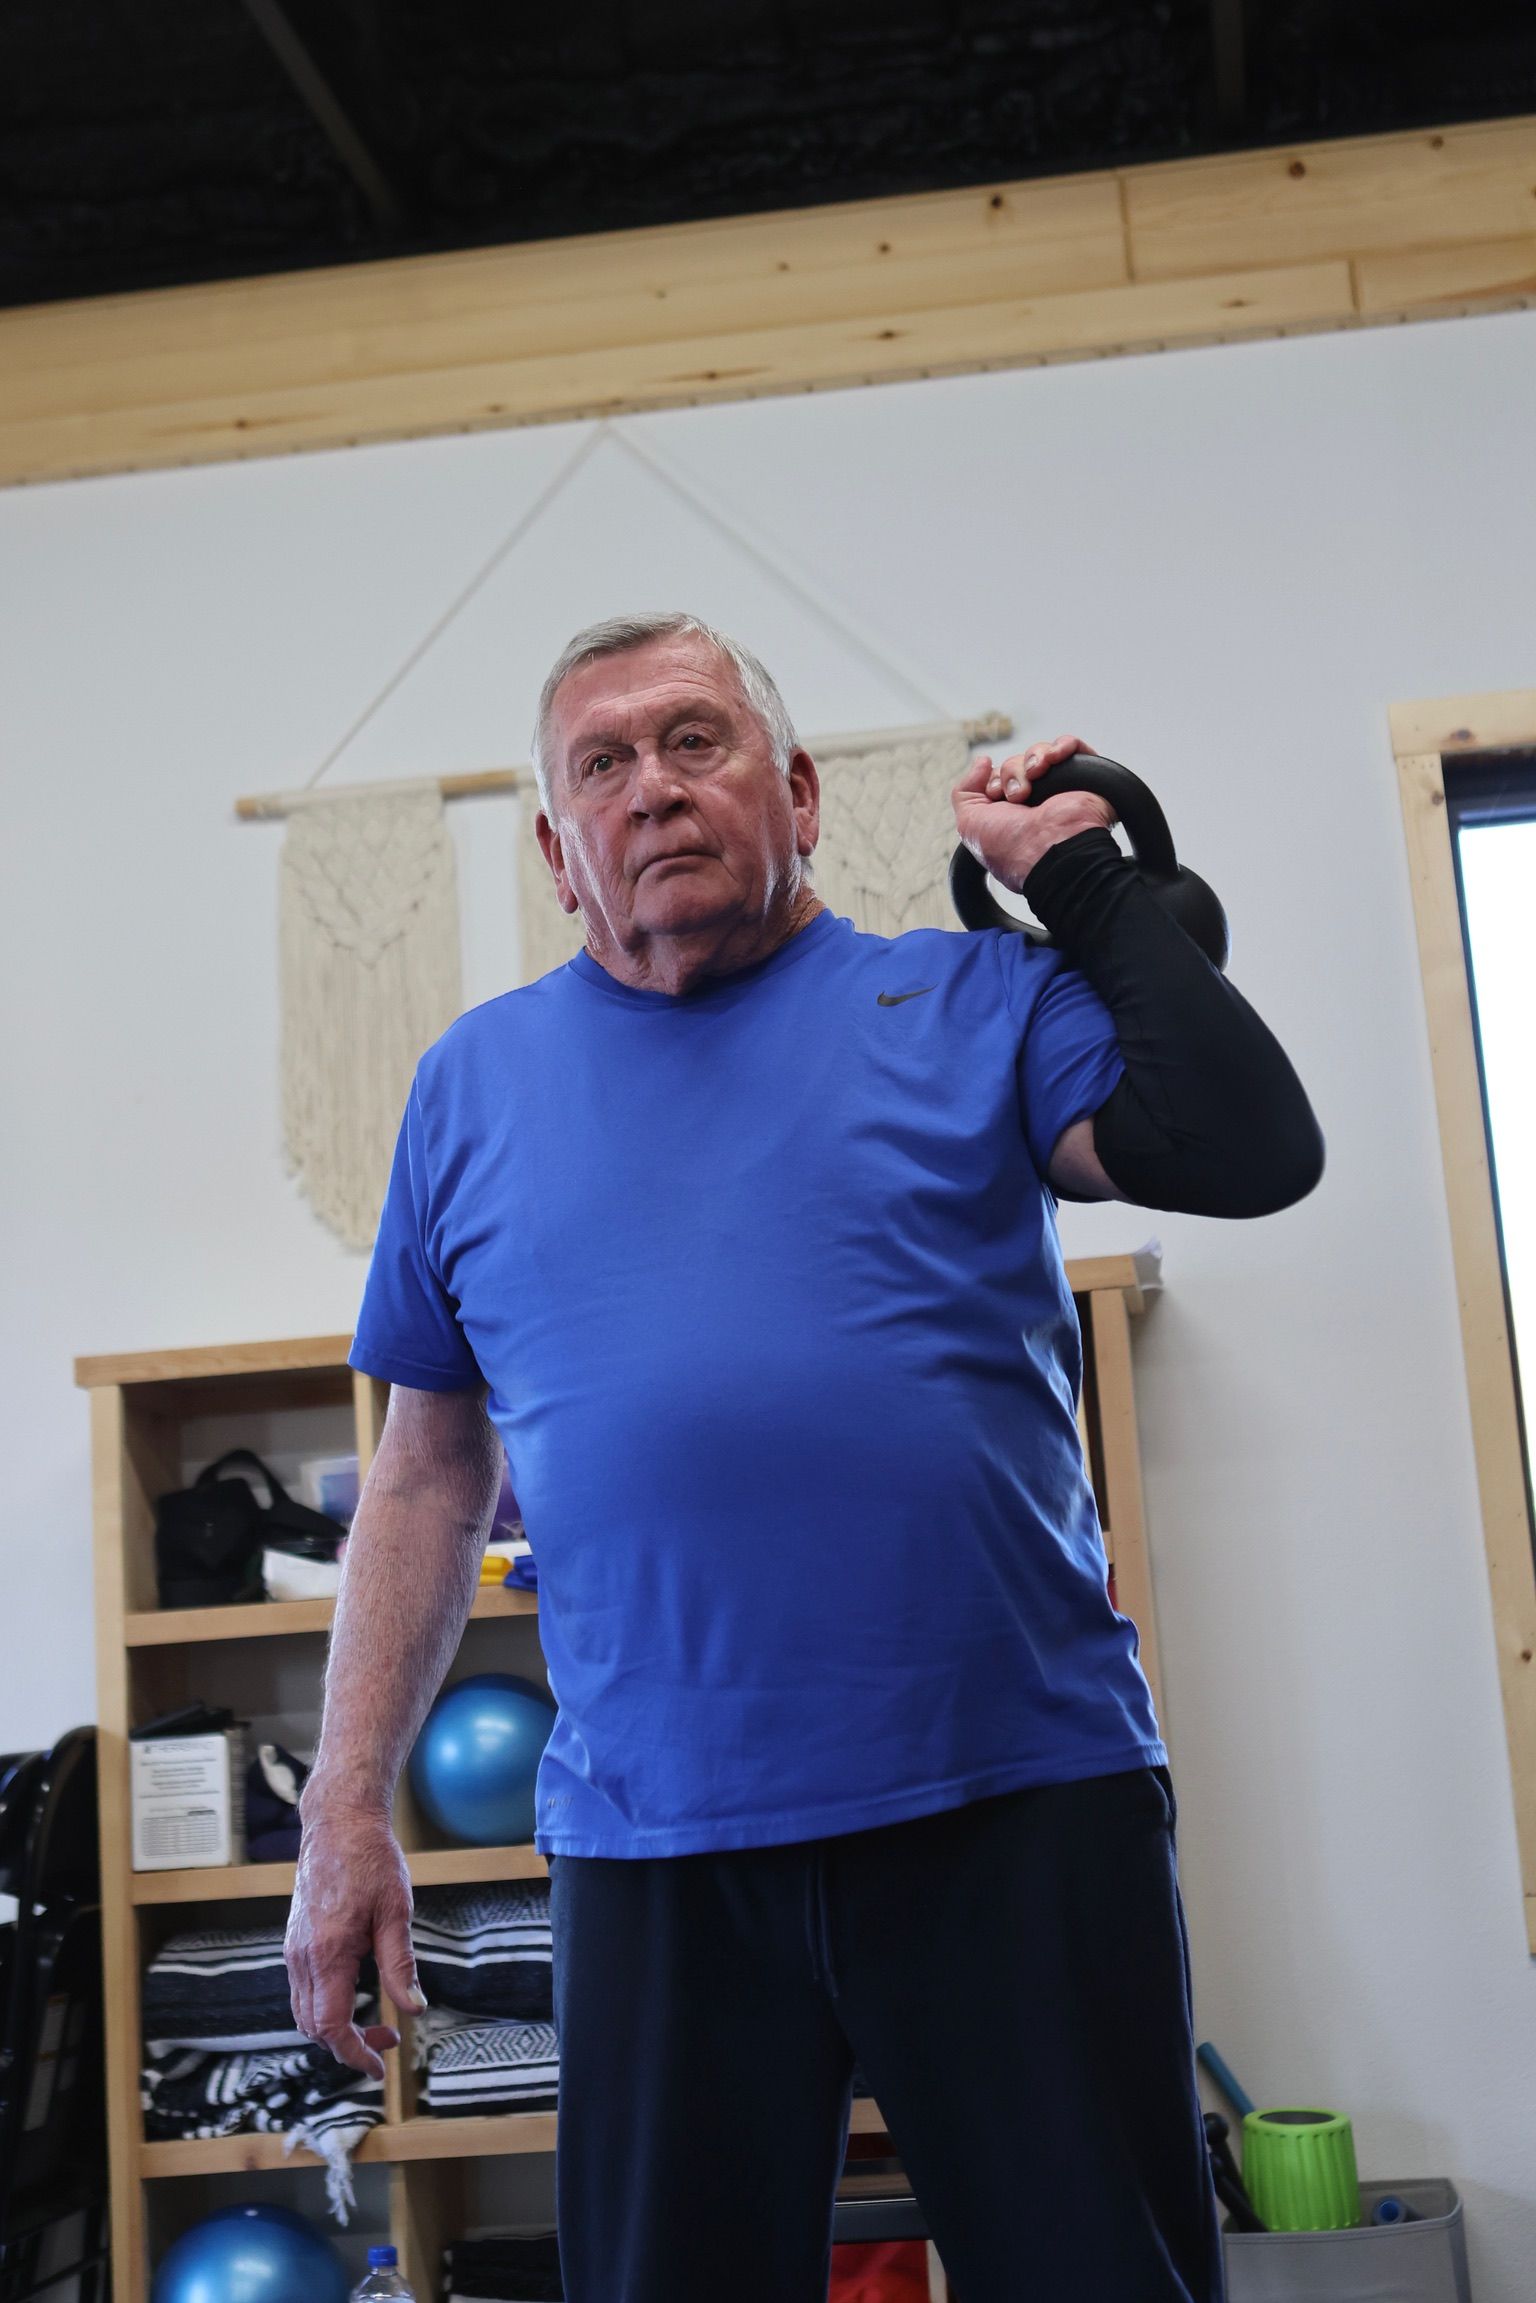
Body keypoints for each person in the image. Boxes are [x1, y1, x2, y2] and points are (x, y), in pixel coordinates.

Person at [285, 611, 1323, 2302]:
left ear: (803, 794)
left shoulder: (973, 1000)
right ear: (556, 851)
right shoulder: (469, 1088)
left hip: (1013, 1801)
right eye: (603, 764)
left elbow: (1249, 1146)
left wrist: (1078, 880)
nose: (653, 788)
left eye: (696, 740)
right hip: (657, 1846)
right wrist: (343, 1809)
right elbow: (420, 1476)